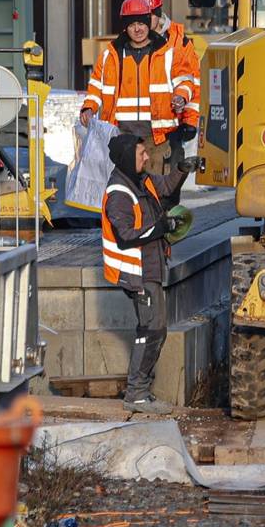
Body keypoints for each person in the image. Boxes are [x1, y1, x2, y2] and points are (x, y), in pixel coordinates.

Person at [102, 130, 186, 414]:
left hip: (150, 267)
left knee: (156, 329)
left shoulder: (141, 179)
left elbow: (166, 188)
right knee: (150, 330)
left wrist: (182, 170)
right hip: (137, 272)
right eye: (141, 153)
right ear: (128, 157)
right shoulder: (119, 193)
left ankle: (140, 391)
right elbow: (126, 235)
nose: (147, 156)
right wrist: (161, 228)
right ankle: (136, 393)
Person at [79, 0, 200, 178]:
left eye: (142, 23)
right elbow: (96, 86)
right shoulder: (111, 55)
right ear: (125, 27)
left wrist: (182, 101)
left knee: (157, 189)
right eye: (132, 24)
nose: (137, 29)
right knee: (121, 188)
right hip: (121, 138)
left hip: (157, 139)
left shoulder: (168, 52)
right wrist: (89, 107)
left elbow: (186, 81)